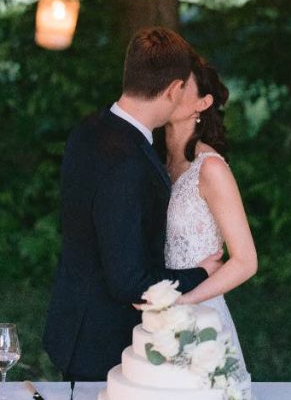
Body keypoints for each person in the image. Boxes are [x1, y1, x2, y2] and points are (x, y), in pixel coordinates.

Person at [43, 28, 224, 382]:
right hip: (105, 340)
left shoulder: (89, 129)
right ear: (173, 90)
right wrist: (202, 273)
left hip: (75, 320)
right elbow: (128, 282)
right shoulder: (128, 162)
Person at [157, 55, 257, 385]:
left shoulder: (211, 169)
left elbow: (244, 261)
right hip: (151, 315)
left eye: (181, 86)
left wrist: (182, 302)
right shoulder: (151, 159)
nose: (169, 90)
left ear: (204, 102)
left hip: (199, 319)